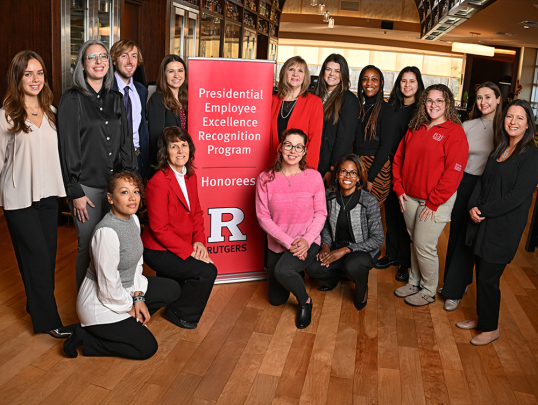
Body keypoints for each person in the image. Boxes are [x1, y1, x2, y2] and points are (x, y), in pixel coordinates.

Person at [63, 172, 181, 359]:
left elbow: (135, 265)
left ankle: (127, 323)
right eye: (124, 192)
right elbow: (108, 286)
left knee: (172, 289)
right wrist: (131, 306)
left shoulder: (133, 219)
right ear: (110, 198)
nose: (133, 198)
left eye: (136, 191)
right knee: (147, 348)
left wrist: (138, 297)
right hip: (100, 304)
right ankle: (85, 337)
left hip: (124, 292)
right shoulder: (106, 232)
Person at [0, 50, 72, 338]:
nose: (35, 79)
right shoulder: (6, 117)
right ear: (17, 77)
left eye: (39, 72)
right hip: (18, 200)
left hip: (47, 198)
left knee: (47, 256)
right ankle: (48, 320)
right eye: (28, 73)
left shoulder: (53, 114)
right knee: (37, 257)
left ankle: (36, 305)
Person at [457, 100, 538, 346]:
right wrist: (472, 205)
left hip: (504, 226)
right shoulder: (501, 147)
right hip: (483, 220)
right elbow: (482, 180)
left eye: (520, 118)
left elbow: (517, 196)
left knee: (488, 277)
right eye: (509, 117)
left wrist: (482, 209)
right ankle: (483, 318)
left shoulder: (532, 155)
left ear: (528, 125)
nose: (513, 122)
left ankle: (491, 328)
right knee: (480, 271)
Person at [57, 40, 137, 290]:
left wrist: (130, 182)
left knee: (116, 242)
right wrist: (75, 190)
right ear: (82, 64)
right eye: (92, 57)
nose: (99, 62)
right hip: (86, 188)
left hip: (114, 185)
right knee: (89, 244)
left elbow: (125, 141)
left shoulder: (116, 98)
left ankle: (112, 296)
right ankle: (85, 302)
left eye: (103, 56)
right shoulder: (72, 98)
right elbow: (67, 145)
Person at [392, 84, 468, 307]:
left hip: (435, 202)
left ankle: (428, 290)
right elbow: (398, 159)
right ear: (424, 103)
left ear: (447, 104)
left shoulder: (454, 132)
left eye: (439, 101)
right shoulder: (416, 126)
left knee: (425, 245)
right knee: (416, 241)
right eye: (429, 100)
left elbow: (453, 173)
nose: (433, 105)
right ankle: (414, 282)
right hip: (409, 197)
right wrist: (399, 189)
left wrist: (433, 203)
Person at [142, 126, 217, 330]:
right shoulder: (158, 182)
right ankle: (180, 313)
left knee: (182, 281)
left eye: (184, 145)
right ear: (165, 151)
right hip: (157, 250)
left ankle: (174, 302)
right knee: (207, 271)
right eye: (174, 146)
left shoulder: (191, 176)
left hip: (181, 243)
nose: (181, 151)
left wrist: (199, 242)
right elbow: (159, 229)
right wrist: (191, 252)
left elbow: (197, 213)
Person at [440, 82, 502, 311]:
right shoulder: (467, 125)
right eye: (479, 98)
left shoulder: (505, 127)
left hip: (487, 187)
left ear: (497, 99)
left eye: (488, 97)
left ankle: (455, 288)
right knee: (457, 233)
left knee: (472, 237)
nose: (483, 102)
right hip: (464, 182)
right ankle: (454, 284)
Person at [256, 128, 327, 329]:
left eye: (298, 147)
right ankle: (294, 272)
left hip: (307, 241)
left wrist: (306, 240)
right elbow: (263, 217)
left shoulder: (313, 177)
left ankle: (305, 301)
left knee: (283, 271)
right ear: (280, 147)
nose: (293, 150)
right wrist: (289, 243)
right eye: (288, 145)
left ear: (304, 151)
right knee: (276, 299)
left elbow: (321, 213)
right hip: (279, 244)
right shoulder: (265, 179)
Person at [306, 154, 383, 310]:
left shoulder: (369, 201)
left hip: (362, 250)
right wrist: (326, 246)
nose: (348, 176)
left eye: (353, 172)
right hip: (336, 246)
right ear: (337, 175)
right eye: (343, 171)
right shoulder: (329, 197)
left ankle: (361, 288)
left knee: (353, 265)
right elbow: (325, 225)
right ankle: (335, 279)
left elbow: (377, 239)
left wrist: (345, 251)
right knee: (312, 267)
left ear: (359, 177)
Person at [376, 66, 425, 282]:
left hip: (409, 170)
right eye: (403, 81)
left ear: (418, 84)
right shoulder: (390, 108)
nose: (407, 85)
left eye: (412, 81)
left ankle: (405, 262)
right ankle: (392, 254)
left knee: (406, 217)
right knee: (392, 214)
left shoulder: (421, 112)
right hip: (389, 167)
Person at [313, 54, 360, 187]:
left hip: (328, 164)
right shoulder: (315, 95)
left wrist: (332, 168)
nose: (332, 74)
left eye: (337, 71)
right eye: (328, 69)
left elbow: (344, 139)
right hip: (311, 160)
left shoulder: (349, 100)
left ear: (343, 74)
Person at [352, 65, 396, 206]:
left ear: (381, 82)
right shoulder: (356, 107)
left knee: (370, 214)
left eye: (374, 79)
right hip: (355, 165)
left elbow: (385, 147)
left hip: (377, 169)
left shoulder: (386, 110)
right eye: (365, 79)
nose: (369, 83)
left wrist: (370, 178)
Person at [269, 56, 323, 169]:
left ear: (305, 77)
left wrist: (308, 170)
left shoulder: (314, 102)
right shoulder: (272, 100)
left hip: (299, 166)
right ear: (284, 73)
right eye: (291, 69)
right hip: (273, 164)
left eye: (300, 71)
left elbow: (315, 141)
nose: (295, 74)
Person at [110, 39, 150, 178]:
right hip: (114, 161)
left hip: (138, 159)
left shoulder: (141, 90)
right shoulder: (106, 90)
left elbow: (142, 128)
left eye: (133, 56)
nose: (130, 61)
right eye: (124, 56)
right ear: (114, 60)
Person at [146, 55, 188, 178]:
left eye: (180, 70)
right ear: (164, 75)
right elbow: (157, 140)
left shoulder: (185, 99)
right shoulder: (157, 99)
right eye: (171, 71)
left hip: (182, 162)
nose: (177, 75)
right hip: (165, 166)